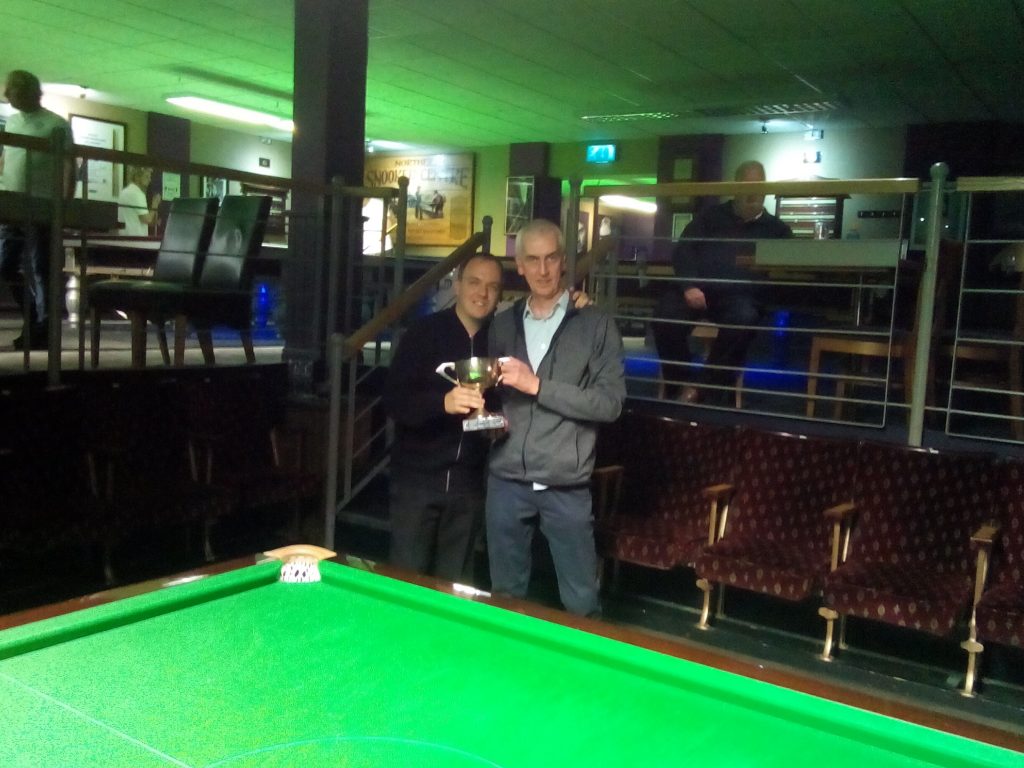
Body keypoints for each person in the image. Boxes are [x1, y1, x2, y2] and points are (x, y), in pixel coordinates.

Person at [486, 218, 625, 617]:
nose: (543, 269)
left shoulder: (596, 324)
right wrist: (483, 419)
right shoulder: (502, 325)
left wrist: (537, 386)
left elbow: (610, 404)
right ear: (520, 265)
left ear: (564, 261)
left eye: (551, 258)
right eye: (533, 259)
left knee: (581, 603)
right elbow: (492, 399)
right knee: (505, 598)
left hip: (566, 484)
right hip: (506, 481)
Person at [383, 253, 504, 582]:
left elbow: (499, 404)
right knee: (408, 585)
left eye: (492, 287)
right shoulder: (423, 333)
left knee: (456, 587)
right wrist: (442, 403)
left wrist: (494, 425)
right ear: (457, 285)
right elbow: (394, 400)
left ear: (499, 295)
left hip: (468, 486)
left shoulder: (500, 340)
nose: (482, 293)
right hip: (416, 483)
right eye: (474, 282)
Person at [653, 160, 792, 403]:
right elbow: (684, 250)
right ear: (734, 187)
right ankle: (682, 384)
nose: (753, 192)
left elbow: (792, 263)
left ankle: (701, 390)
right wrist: (689, 285)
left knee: (744, 319)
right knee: (664, 316)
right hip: (699, 288)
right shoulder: (710, 217)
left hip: (740, 297)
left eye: (758, 185)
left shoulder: (777, 229)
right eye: (747, 185)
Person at [0, 70, 72, 350]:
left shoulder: (55, 124)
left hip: (43, 208)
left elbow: (69, 164)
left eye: (13, 90)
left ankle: (43, 329)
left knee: (42, 269)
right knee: (5, 266)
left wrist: (64, 205)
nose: (7, 95)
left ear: (31, 92)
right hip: (13, 208)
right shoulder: (12, 121)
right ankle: (34, 321)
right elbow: (7, 158)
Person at [117, 165, 161, 236]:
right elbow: (147, 219)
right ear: (138, 177)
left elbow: (133, 218)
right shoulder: (138, 194)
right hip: (137, 238)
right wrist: (155, 204)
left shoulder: (124, 192)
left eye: (150, 177)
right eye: (147, 176)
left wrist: (153, 223)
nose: (149, 180)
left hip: (124, 237)